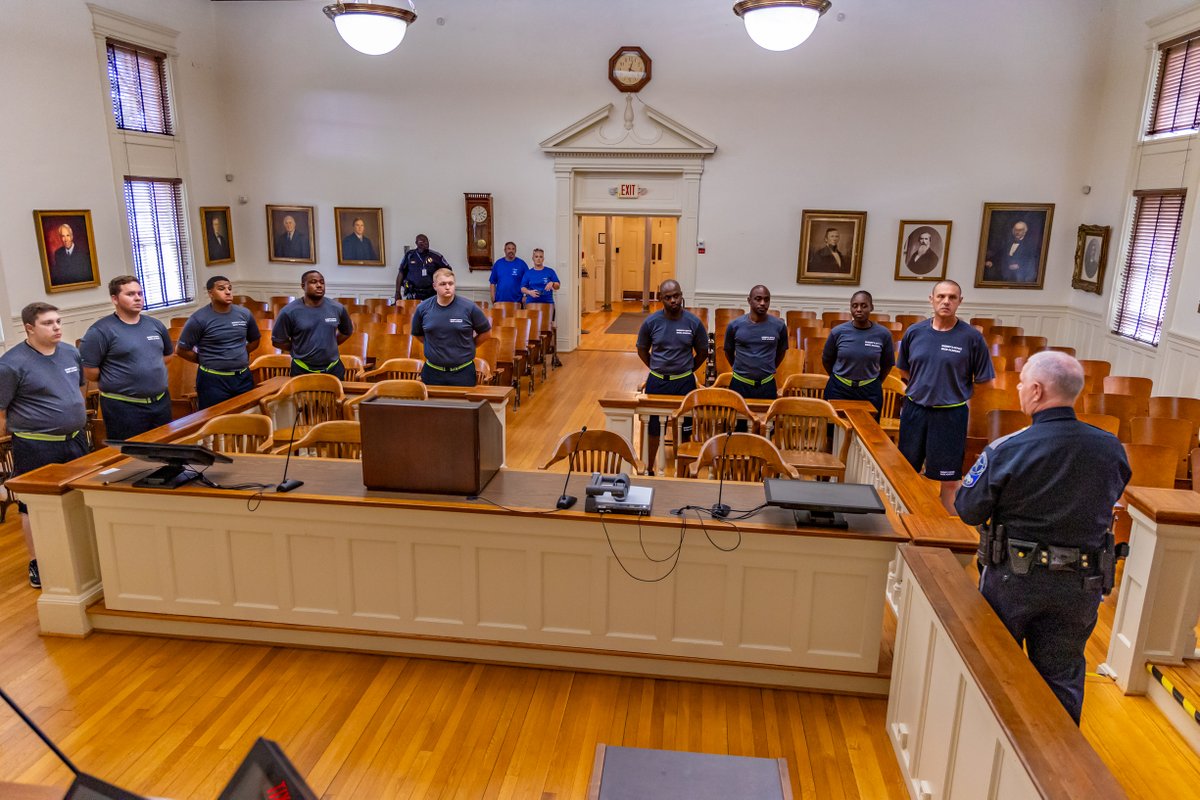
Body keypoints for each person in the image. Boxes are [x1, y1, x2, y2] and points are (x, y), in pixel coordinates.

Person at [955, 351, 1130, 725]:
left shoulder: (1009, 448)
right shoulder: (1110, 447)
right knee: (1062, 679)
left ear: (1036, 391)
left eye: (1022, 384)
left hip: (1014, 579)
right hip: (1081, 583)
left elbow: (968, 509)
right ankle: (1058, 768)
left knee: (996, 672)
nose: (1018, 389)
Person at [0, 303, 88, 589]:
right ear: (29, 327)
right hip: (36, 445)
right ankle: (38, 561)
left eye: (59, 321)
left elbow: (80, 388)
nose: (57, 327)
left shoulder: (71, 352)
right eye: (48, 323)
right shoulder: (11, 364)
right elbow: (1, 411)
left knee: (79, 496)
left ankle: (81, 552)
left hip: (75, 439)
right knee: (31, 506)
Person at [896, 279, 994, 511]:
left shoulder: (972, 338)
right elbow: (903, 369)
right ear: (931, 299)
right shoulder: (915, 332)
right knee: (906, 472)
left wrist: (954, 393)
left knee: (949, 479)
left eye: (952, 297)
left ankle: (948, 532)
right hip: (914, 411)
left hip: (950, 415)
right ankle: (902, 518)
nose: (946, 302)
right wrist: (924, 387)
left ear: (960, 301)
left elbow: (986, 382)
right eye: (941, 296)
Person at [80, 276, 174, 442]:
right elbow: (90, 372)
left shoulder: (155, 325)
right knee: (131, 459)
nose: (138, 298)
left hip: (160, 402)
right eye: (130, 294)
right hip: (123, 406)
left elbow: (167, 356)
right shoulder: (100, 331)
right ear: (115, 299)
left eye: (140, 293)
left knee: (165, 450)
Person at [636, 279, 708, 472]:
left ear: (681, 294)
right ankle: (650, 468)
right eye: (668, 297)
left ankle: (682, 468)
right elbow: (642, 349)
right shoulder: (651, 322)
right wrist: (655, 366)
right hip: (657, 383)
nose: (673, 301)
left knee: (685, 427)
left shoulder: (693, 322)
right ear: (661, 299)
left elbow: (702, 351)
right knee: (653, 427)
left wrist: (689, 369)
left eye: (676, 296)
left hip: (684, 383)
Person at [175, 276, 262, 408]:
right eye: (221, 288)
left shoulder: (244, 314)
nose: (228, 292)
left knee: (247, 418)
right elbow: (181, 350)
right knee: (215, 423)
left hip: (242, 377)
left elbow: (255, 340)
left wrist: (240, 353)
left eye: (229, 288)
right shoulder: (198, 319)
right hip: (213, 381)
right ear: (210, 293)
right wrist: (204, 359)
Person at [411, 267, 492, 387]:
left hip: (463, 372)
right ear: (434, 286)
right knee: (432, 405)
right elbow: (418, 334)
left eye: (451, 283)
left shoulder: (469, 307)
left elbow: (486, 333)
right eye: (443, 284)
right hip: (432, 371)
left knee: (462, 405)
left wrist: (469, 345)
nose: (447, 287)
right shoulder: (422, 308)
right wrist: (433, 345)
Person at [822, 290, 895, 413]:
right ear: (850, 308)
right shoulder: (838, 332)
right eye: (854, 306)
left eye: (864, 305)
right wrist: (838, 378)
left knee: (868, 430)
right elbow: (827, 359)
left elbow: (887, 364)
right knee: (834, 429)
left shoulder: (883, 334)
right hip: (839, 388)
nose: (859, 309)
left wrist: (875, 381)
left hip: (869, 391)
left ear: (871, 307)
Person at [273, 270, 354, 379]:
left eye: (322, 282)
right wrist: (298, 347)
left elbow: (347, 331)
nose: (319, 285)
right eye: (313, 282)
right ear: (303, 286)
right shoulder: (289, 311)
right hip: (302, 370)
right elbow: (278, 341)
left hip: (333, 369)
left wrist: (330, 344)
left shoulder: (337, 308)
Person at [723, 284, 788, 405]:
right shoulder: (735, 325)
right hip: (740, 384)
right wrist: (738, 368)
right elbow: (728, 351)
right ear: (749, 300)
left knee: (766, 423)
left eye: (766, 299)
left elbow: (781, 352)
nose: (763, 303)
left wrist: (767, 367)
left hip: (767, 385)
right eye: (758, 299)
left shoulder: (779, 326)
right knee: (738, 423)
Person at [396, 233, 451, 301]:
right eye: (422, 241)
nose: (426, 243)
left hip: (431, 294)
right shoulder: (409, 255)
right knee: (413, 311)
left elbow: (448, 272)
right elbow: (401, 272)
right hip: (413, 294)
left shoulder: (436, 256)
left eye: (427, 241)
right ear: (416, 243)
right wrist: (397, 292)